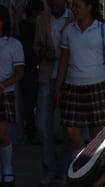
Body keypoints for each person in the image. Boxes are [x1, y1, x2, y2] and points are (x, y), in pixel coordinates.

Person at [55, 0, 105, 159]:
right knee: (71, 131)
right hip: (73, 86)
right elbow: (63, 61)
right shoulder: (68, 31)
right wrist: (58, 88)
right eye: (73, 6)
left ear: (89, 7)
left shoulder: (103, 30)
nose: (74, 9)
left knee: (97, 134)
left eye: (77, 5)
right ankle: (81, 165)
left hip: (97, 85)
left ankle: (92, 173)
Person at [33, 0, 72, 185]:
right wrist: (42, 52)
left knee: (68, 126)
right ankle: (49, 165)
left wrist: (57, 54)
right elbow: (35, 46)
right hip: (47, 76)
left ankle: (65, 169)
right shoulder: (42, 20)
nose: (54, 3)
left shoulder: (72, 19)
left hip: (69, 78)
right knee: (42, 124)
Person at [0, 4, 24, 187]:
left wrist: (3, 85)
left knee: (2, 133)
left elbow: (19, 71)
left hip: (4, 93)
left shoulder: (13, 44)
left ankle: (8, 169)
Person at [18, 0, 44, 144]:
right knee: (30, 103)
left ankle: (32, 131)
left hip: (35, 68)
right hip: (29, 69)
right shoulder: (26, 28)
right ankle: (31, 132)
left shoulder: (27, 27)